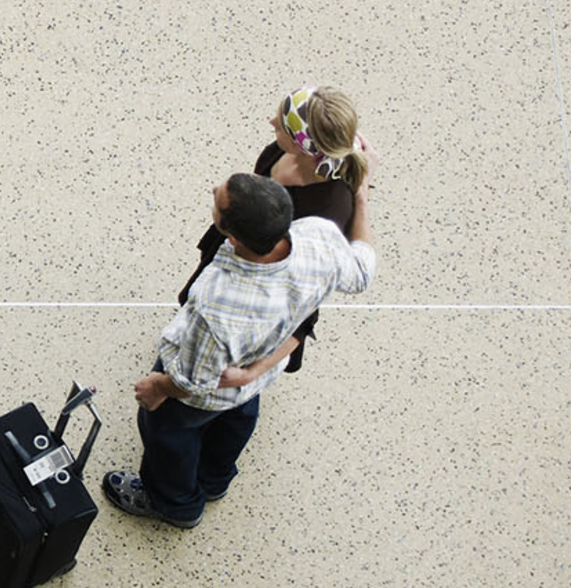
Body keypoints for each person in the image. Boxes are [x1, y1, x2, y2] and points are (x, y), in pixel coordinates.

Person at [101, 171, 376, 528]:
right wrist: (362, 199)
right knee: (235, 422)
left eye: (218, 201)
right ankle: (214, 481)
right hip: (253, 379)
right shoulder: (320, 237)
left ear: (232, 236)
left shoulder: (217, 305)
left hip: (206, 391)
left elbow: (195, 383)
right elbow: (362, 272)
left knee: (168, 434)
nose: (214, 188)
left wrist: (158, 387)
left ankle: (175, 505)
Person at [180, 86, 378, 385]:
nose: (271, 122)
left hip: (258, 288)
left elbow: (305, 305)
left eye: (280, 125)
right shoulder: (281, 151)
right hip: (240, 247)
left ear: (303, 145)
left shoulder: (328, 212)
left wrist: (251, 373)